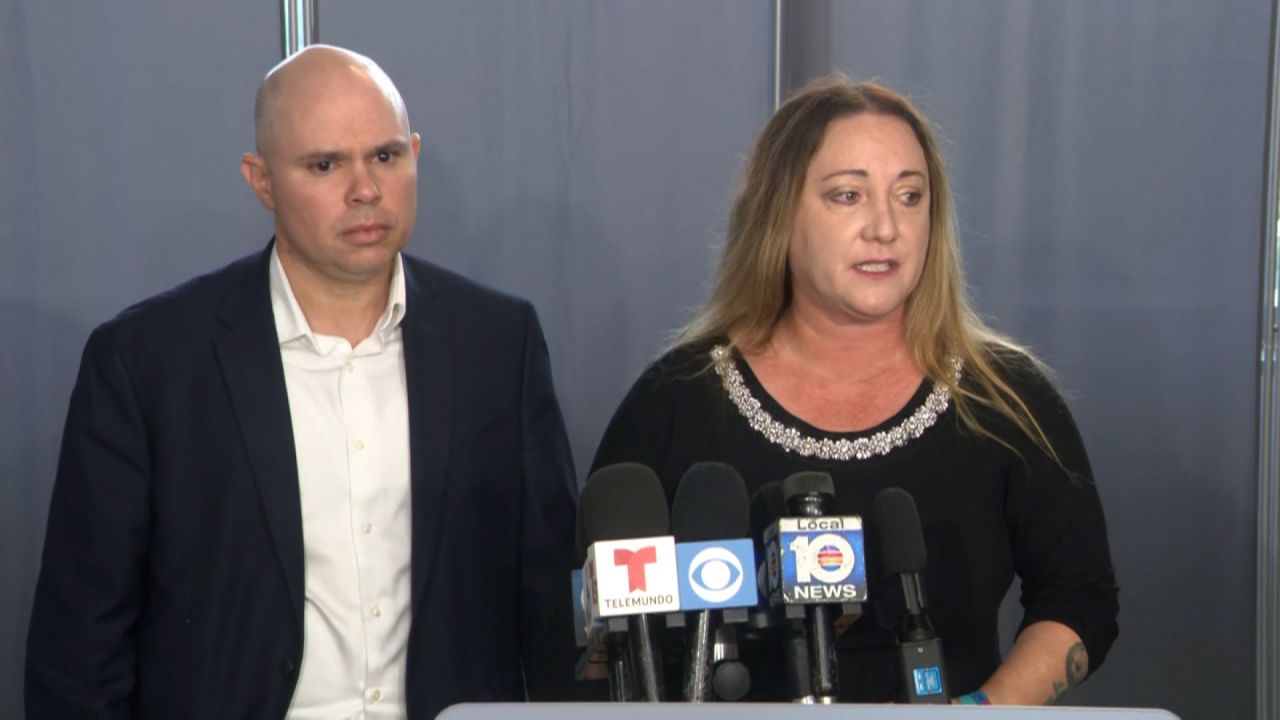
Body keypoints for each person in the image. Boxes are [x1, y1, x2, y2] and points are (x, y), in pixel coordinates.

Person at [26, 45, 583, 719]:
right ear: (260, 181)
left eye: (385, 156)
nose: (365, 190)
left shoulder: (500, 344)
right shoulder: (149, 364)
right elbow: (80, 654)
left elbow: (556, 610)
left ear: (413, 154)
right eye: (325, 164)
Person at [592, 75, 1119, 705]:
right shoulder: (675, 399)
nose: (885, 227)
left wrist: (978, 714)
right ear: (779, 214)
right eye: (847, 195)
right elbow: (598, 632)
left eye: (910, 196)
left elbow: (1079, 599)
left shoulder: (1008, 400)